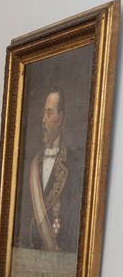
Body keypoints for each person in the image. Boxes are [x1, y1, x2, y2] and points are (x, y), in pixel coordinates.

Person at [17, 87, 82, 253]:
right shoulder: (31, 163)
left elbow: (73, 225)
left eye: (49, 113)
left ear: (60, 118)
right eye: (43, 113)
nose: (43, 120)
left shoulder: (73, 165)